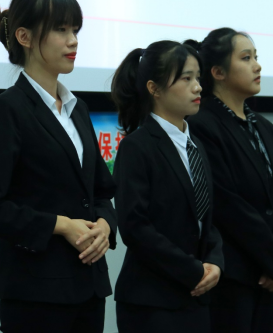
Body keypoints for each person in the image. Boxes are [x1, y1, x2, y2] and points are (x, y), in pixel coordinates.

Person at [0, 0, 117, 333]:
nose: (73, 41)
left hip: (89, 287)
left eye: (75, 30)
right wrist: (60, 225)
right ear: (25, 36)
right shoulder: (8, 110)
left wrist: (106, 225)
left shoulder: (78, 109)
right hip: (36, 295)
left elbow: (100, 191)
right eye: (61, 29)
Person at [185, 28, 273, 333]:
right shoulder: (201, 124)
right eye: (246, 58)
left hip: (270, 274)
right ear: (218, 72)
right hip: (233, 275)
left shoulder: (264, 127)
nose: (257, 66)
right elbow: (225, 204)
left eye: (256, 57)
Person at [111, 41, 224, 333]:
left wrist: (215, 262)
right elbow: (135, 227)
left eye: (197, 77)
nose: (198, 87)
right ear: (154, 88)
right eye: (186, 78)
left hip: (196, 296)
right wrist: (192, 270)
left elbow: (206, 218)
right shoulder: (137, 146)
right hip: (153, 301)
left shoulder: (195, 144)